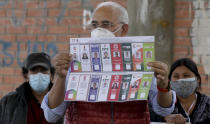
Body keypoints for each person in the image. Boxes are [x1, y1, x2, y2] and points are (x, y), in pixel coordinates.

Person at [41, 2, 176, 124]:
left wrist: (163, 86)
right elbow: (51, 115)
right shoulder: (77, 62)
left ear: (124, 29)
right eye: (94, 25)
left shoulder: (139, 63)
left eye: (106, 24)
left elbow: (163, 110)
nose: (98, 30)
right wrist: (60, 77)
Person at [0, 52, 62, 124]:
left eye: (43, 70)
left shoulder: (63, 102)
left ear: (51, 75)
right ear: (26, 76)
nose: (39, 74)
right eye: (34, 70)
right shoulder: (8, 102)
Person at [164, 58, 210, 124]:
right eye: (176, 76)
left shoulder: (207, 104)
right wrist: (165, 118)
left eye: (186, 75)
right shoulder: (163, 105)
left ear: (197, 79)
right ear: (170, 81)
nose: (181, 80)